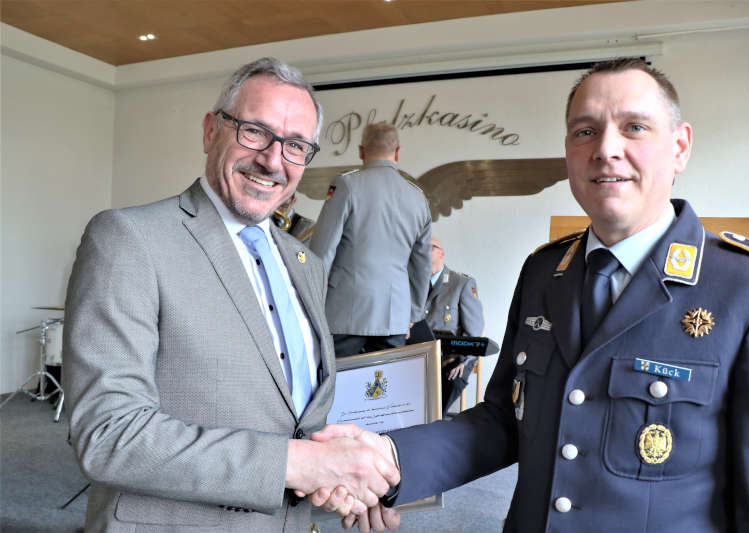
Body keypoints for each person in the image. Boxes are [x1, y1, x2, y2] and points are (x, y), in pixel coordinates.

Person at [313, 58, 749, 532]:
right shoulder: (545, 272)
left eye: (633, 127)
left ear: (680, 146)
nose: (605, 149)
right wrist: (388, 461)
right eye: (585, 131)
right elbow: (504, 420)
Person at [62, 57, 399, 533]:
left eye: (296, 145)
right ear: (210, 131)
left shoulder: (307, 264)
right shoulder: (128, 239)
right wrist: (303, 464)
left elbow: (293, 420)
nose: (272, 160)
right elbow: (109, 435)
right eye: (254, 132)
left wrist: (348, 484)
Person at [309, 122, 432, 357]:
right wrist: (413, 314)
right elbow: (422, 265)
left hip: (345, 312)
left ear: (361, 151)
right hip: (394, 315)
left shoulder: (346, 185)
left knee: (338, 387)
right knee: (385, 390)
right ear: (398, 153)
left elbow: (322, 251)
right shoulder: (417, 197)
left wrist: (311, 303)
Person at [426, 237, 484, 414]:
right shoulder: (414, 283)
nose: (423, 250)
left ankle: (435, 423)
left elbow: (474, 329)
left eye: (430, 247)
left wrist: (462, 358)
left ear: (442, 253)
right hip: (424, 353)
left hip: (455, 354)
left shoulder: (461, 283)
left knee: (451, 381)